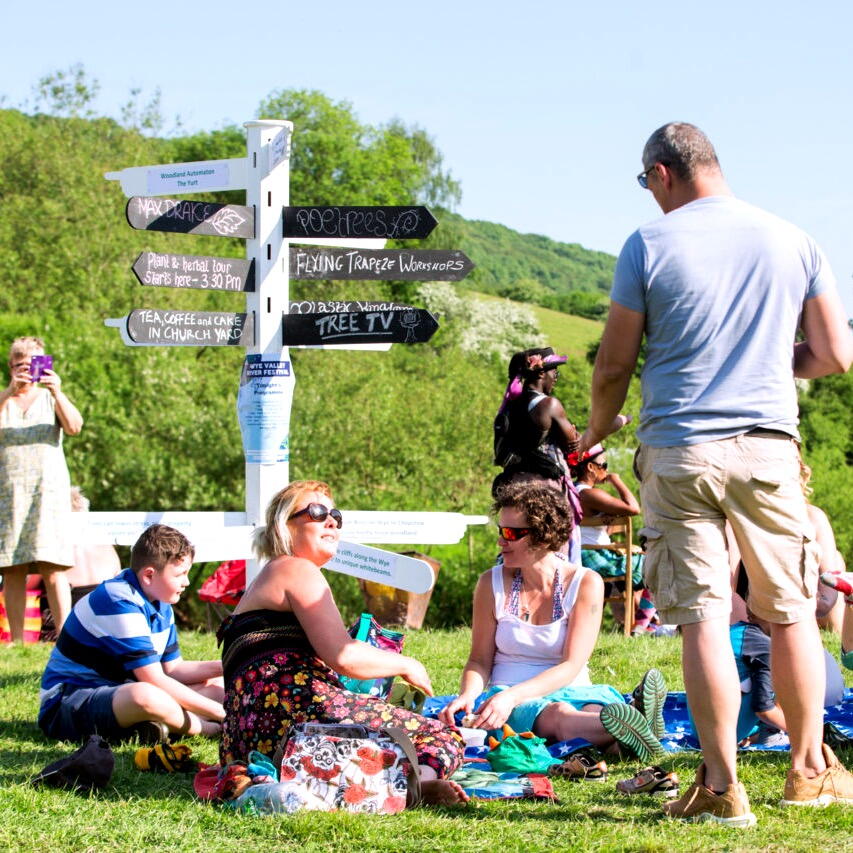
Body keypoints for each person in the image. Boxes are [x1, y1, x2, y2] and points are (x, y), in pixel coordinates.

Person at [582, 121, 853, 825]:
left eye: (646, 184)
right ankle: (806, 771)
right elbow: (832, 354)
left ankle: (722, 786)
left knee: (701, 616)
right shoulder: (795, 239)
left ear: (662, 173)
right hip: (766, 447)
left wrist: (593, 428)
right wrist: (770, 362)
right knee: (791, 609)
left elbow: (613, 363)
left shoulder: (648, 242)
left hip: (677, 448)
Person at [218, 480, 468, 806]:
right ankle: (414, 786)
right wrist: (409, 664)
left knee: (371, 742)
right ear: (286, 525)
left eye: (335, 514)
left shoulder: (266, 580)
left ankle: (294, 783)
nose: (332, 521)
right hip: (297, 719)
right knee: (440, 736)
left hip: (244, 744)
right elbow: (344, 655)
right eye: (317, 512)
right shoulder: (297, 569)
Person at [439, 481, 666, 762]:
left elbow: (571, 665)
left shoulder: (585, 582)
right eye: (501, 531)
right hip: (509, 698)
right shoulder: (490, 583)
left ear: (543, 536)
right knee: (559, 715)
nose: (501, 541)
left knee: (593, 711)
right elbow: (479, 661)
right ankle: (637, 726)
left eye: (511, 533)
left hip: (573, 688)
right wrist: (469, 695)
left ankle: (625, 737)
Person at [38, 524, 224, 743]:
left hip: (119, 692)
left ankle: (159, 724)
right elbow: (154, 680)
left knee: (219, 685)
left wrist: (226, 665)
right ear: (148, 575)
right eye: (180, 574)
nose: (187, 582)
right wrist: (222, 714)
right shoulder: (118, 599)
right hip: (68, 703)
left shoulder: (159, 599)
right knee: (145, 696)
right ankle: (204, 727)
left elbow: (172, 669)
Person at [0, 336, 82, 642]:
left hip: (47, 495)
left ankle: (66, 638)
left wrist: (57, 391)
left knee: (54, 566)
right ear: (10, 366)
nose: (27, 369)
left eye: (33, 363)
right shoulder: (3, 400)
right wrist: (10, 391)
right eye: (20, 363)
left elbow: (74, 427)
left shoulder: (51, 398)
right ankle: (18, 642)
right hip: (9, 494)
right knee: (12, 567)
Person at [570, 443, 649, 631]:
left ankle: (635, 624)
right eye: (604, 466)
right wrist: (616, 480)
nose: (606, 471)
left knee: (638, 566)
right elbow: (634, 508)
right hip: (596, 558)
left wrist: (608, 525)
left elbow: (591, 532)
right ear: (590, 467)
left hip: (582, 553)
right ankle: (643, 626)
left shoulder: (570, 490)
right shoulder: (588, 493)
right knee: (657, 564)